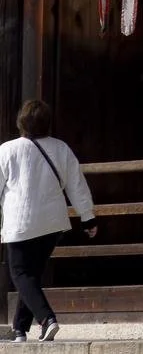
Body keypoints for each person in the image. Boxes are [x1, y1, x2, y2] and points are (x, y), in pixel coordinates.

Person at [1, 102, 94, 342]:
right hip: (52, 224)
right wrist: (88, 217)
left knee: (20, 273)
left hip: (21, 222)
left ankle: (47, 319)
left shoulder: (8, 150)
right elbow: (77, 185)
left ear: (21, 122)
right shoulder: (61, 148)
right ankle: (19, 330)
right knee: (31, 275)